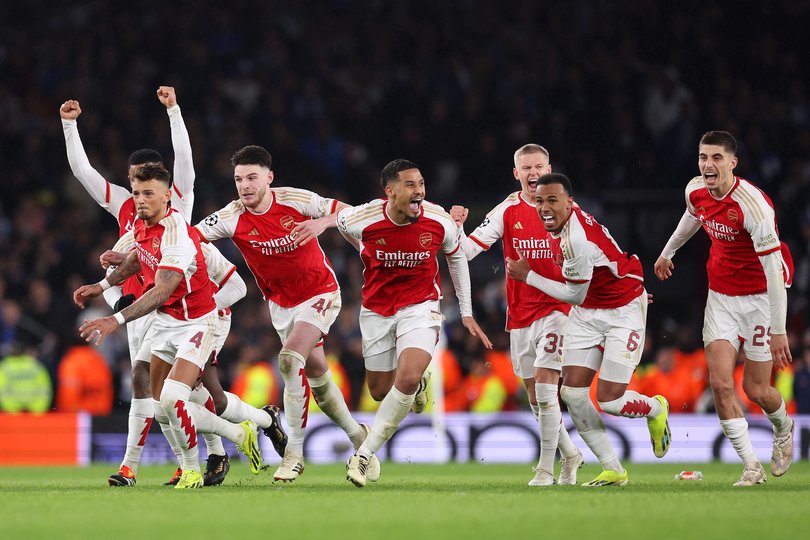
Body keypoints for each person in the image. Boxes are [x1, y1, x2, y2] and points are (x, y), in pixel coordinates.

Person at [195, 145, 378, 482]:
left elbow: (349, 213)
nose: (245, 185)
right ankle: (358, 436)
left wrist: (322, 223)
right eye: (239, 179)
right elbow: (188, 239)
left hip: (320, 292)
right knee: (319, 379)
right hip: (281, 304)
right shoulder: (231, 216)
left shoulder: (295, 200)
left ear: (269, 177)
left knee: (290, 359)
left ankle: (293, 453)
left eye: (252, 177)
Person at [73, 164, 262, 489]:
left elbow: (162, 288)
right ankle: (233, 435)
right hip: (168, 322)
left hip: (198, 322)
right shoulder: (143, 228)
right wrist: (102, 286)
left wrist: (113, 319)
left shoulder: (178, 232)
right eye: (136, 194)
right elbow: (138, 258)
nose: (140, 201)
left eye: (148, 194)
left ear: (166, 196)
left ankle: (194, 465)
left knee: (179, 397)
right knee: (162, 405)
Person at [60, 87, 198, 486]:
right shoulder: (124, 201)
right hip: (135, 302)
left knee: (184, 389)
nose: (143, 192)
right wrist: (69, 125)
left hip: (177, 301)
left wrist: (174, 111)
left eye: (151, 182)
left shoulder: (180, 203)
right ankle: (134, 466)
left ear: (165, 185)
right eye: (138, 182)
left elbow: (185, 161)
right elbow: (82, 172)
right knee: (145, 381)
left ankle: (230, 438)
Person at [506, 173, 671, 487]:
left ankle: (655, 408)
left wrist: (527, 276)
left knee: (609, 400)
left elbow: (573, 294)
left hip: (622, 312)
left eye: (552, 200)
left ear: (570, 202)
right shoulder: (563, 224)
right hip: (588, 311)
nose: (544, 208)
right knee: (572, 392)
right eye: (540, 201)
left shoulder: (575, 238)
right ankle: (613, 469)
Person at [339, 158, 492, 488]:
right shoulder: (361, 218)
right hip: (377, 310)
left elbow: (456, 256)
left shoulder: (439, 220)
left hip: (420, 307)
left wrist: (466, 311)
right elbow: (341, 225)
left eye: (421, 184)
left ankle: (363, 455)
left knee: (405, 378)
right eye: (410, 185)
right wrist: (365, 249)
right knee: (380, 391)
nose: (419, 190)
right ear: (390, 192)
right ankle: (416, 382)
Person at [654, 130, 795, 486]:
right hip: (721, 296)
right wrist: (668, 251)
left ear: (733, 163)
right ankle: (751, 465)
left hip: (762, 296)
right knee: (719, 384)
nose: (708, 164)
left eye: (716, 158)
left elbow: (774, 274)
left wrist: (778, 329)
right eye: (703, 157)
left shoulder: (753, 205)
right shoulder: (695, 189)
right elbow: (693, 215)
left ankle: (783, 427)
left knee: (756, 389)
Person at [450, 144, 583, 486]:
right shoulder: (507, 210)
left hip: (560, 309)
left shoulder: (568, 209)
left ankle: (544, 470)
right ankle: (571, 453)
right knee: (536, 399)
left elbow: (595, 252)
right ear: (516, 173)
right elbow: (467, 251)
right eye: (527, 167)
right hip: (521, 315)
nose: (533, 172)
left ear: (549, 167)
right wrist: (457, 228)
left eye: (539, 165)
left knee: (545, 389)